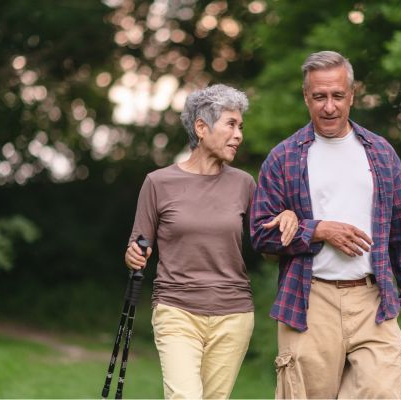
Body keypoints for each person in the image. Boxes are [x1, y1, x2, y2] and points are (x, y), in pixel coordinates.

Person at [250, 50, 401, 399]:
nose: (329, 106)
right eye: (319, 97)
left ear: (352, 95)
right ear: (307, 97)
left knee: (389, 391)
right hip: (309, 299)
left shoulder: (380, 153)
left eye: (337, 96)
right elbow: (260, 233)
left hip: (373, 299)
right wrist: (316, 230)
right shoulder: (284, 157)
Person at [125, 84, 296, 399]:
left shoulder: (244, 183)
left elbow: (269, 247)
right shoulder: (158, 183)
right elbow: (137, 245)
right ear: (201, 128)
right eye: (231, 124)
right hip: (177, 310)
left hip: (233, 315)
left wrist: (287, 217)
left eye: (240, 126)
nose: (239, 135)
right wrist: (134, 255)